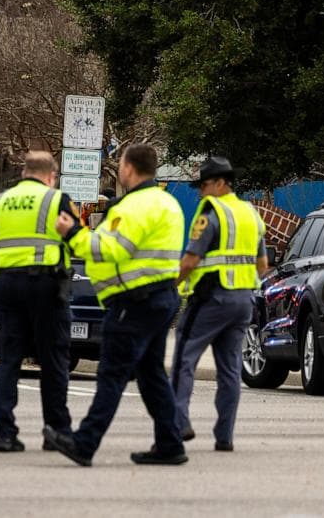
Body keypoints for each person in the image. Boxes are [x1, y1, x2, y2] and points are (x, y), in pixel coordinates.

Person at [45, 143, 186, 468]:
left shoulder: (134, 207)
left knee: (111, 374)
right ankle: (170, 443)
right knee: (151, 375)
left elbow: (109, 248)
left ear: (129, 169)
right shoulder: (168, 203)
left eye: (121, 163)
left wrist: (73, 232)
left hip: (133, 301)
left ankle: (84, 443)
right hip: (162, 297)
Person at [170, 156, 268, 452]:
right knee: (229, 370)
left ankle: (177, 422)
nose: (200, 192)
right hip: (242, 300)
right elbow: (262, 264)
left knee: (184, 359)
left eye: (204, 185)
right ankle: (224, 437)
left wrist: (169, 287)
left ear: (221, 183)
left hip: (212, 297)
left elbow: (189, 261)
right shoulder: (250, 213)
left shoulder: (210, 214)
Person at [0, 151, 77, 453]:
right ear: (51, 175)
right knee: (53, 358)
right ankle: (56, 430)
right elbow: (74, 236)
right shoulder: (56, 199)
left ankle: (5, 433)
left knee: (9, 358)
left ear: (24, 173)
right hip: (45, 284)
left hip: (8, 284)